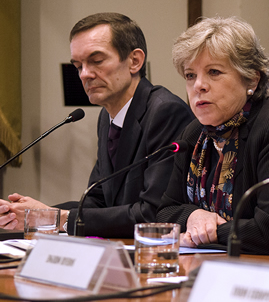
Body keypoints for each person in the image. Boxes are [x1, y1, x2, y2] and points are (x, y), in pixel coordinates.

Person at [0, 12, 194, 237]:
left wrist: (56, 218)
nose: (84, 74)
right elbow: (97, 200)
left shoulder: (166, 112)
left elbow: (153, 213)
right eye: (78, 65)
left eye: (96, 61)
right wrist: (34, 214)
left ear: (134, 61)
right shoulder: (107, 117)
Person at [156, 16, 269, 254]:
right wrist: (194, 215)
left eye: (214, 72)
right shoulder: (195, 134)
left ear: (251, 78)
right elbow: (165, 211)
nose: (198, 85)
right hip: (217, 268)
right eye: (190, 75)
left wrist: (204, 234)